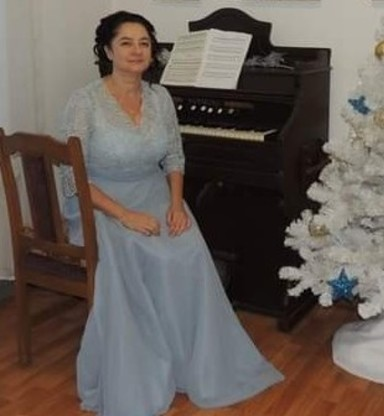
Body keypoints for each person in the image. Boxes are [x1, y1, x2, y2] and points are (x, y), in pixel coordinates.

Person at [58, 11, 283, 416]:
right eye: (126, 42)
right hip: (100, 201)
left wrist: (176, 205)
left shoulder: (160, 97)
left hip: (152, 191)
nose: (137, 50)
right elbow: (73, 177)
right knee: (141, 251)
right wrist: (124, 215)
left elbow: (175, 157)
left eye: (144, 43)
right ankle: (144, 364)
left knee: (188, 248)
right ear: (108, 50)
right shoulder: (84, 101)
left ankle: (189, 360)